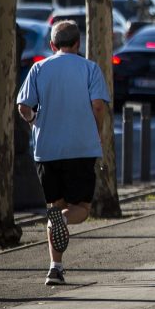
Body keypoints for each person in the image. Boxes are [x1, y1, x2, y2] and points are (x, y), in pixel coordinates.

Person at [16, 20, 109, 286]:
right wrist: (97, 133)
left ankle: (55, 268)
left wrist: (36, 121)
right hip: (81, 147)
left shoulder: (39, 68)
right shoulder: (90, 68)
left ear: (52, 44)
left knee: (53, 207)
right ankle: (64, 220)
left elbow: (23, 107)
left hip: (46, 150)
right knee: (81, 208)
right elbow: (99, 106)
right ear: (78, 44)